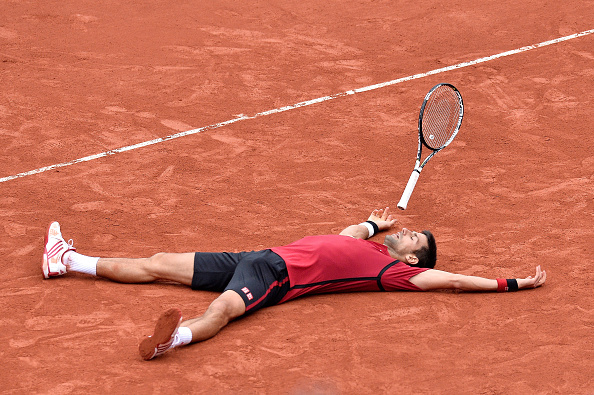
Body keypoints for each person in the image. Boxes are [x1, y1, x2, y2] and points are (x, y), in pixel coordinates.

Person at [41, 207, 546, 361]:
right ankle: (69, 261)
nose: (410, 232)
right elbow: (346, 233)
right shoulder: (374, 248)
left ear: (414, 256)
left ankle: (177, 337)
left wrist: (511, 283)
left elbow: (453, 280)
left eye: (415, 236)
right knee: (156, 262)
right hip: (253, 255)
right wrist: (375, 226)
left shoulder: (397, 272)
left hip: (274, 277)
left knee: (223, 311)